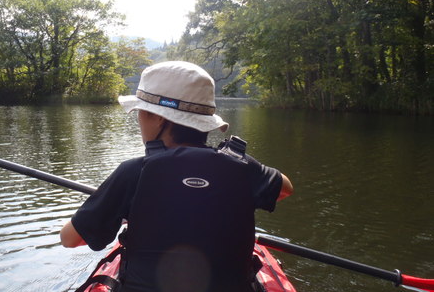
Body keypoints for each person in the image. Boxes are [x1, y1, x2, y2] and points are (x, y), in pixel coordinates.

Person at [60, 61, 293, 292]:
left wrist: (130, 212)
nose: (139, 120)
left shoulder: (134, 172)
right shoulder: (242, 166)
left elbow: (69, 238)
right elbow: (285, 188)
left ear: (160, 117)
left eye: (141, 112)